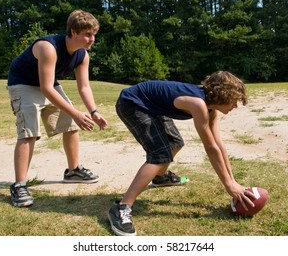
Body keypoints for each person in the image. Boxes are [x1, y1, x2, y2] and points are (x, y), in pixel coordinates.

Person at [107, 71, 256, 236]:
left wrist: (233, 182)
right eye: (234, 101)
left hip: (152, 106)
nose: (235, 106)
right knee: (160, 154)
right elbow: (210, 147)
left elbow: (218, 145)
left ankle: (160, 177)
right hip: (132, 103)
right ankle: (122, 207)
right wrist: (229, 186)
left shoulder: (211, 109)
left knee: (175, 143)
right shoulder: (198, 104)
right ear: (223, 96)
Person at [7, 9, 108, 207]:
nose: (92, 39)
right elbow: (45, 87)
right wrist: (76, 113)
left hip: (48, 85)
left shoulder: (82, 55)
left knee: (71, 124)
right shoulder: (48, 47)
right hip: (24, 84)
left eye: (94, 34)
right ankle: (19, 185)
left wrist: (94, 112)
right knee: (29, 132)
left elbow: (84, 86)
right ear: (73, 32)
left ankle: (73, 171)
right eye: (87, 34)